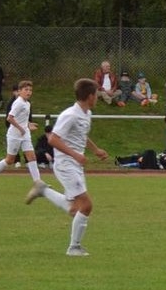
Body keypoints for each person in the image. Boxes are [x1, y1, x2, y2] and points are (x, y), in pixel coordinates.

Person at [26, 78, 110, 257]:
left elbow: (81, 135)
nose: (97, 98)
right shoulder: (70, 115)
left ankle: (43, 190)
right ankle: (74, 248)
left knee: (74, 209)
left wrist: (95, 150)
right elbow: (53, 139)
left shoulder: (86, 114)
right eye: (96, 95)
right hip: (65, 165)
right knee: (86, 205)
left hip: (75, 165)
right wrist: (75, 155)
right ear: (90, 96)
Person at [0, 81, 42, 188]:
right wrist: (20, 128)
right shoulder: (18, 103)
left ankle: (38, 183)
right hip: (14, 135)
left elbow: (21, 119)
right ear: (19, 91)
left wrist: (28, 124)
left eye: (30, 90)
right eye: (26, 90)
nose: (29, 92)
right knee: (10, 160)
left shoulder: (27, 103)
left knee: (31, 157)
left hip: (25, 134)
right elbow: (9, 118)